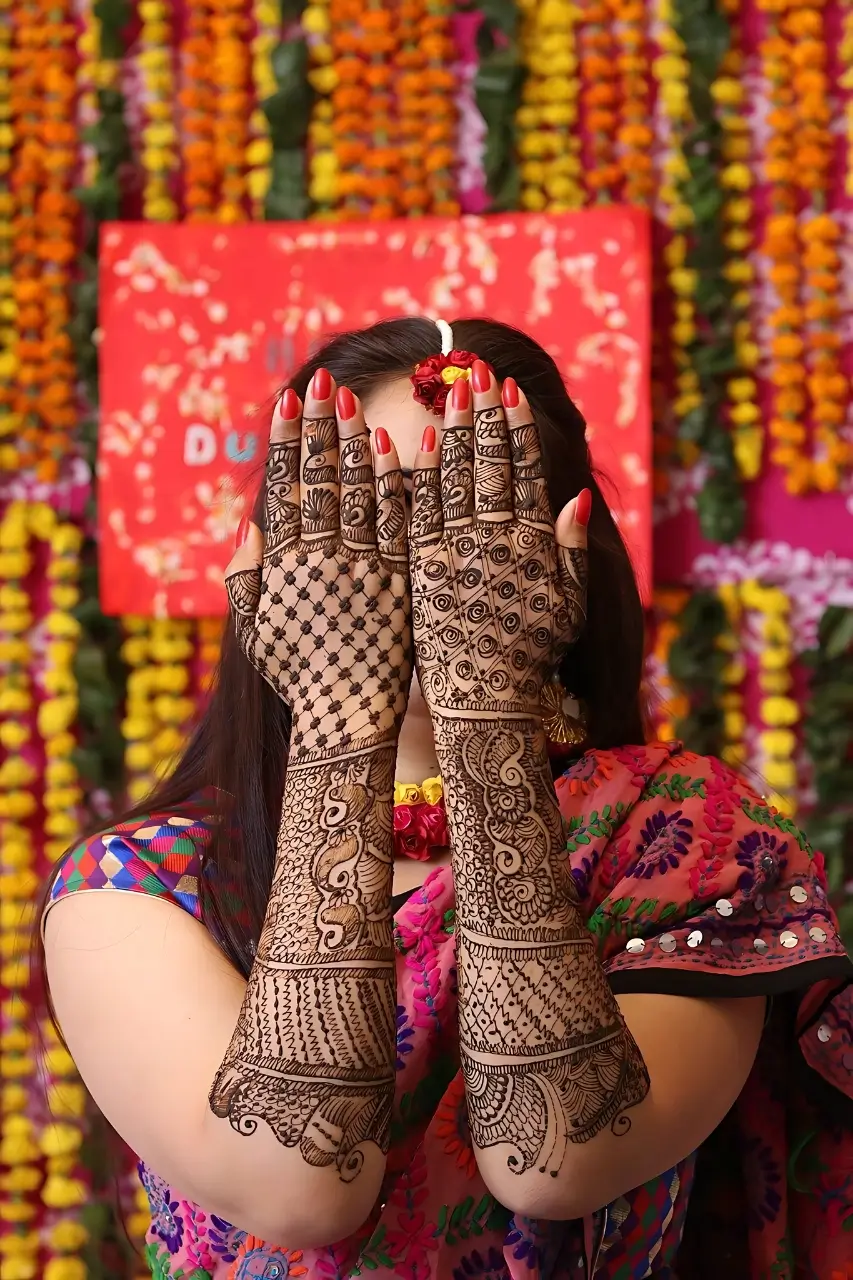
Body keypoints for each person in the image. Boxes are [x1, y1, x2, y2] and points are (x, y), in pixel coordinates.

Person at [41, 317, 853, 1280]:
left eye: (471, 519)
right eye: (367, 515)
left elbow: (552, 1159)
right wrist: (342, 715)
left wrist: (486, 713)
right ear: (268, 557)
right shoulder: (138, 885)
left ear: (564, 551)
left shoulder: (684, 832)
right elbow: (298, 1185)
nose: (424, 575)